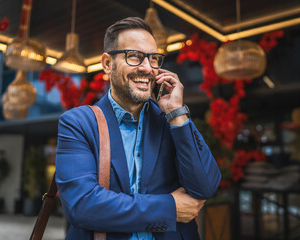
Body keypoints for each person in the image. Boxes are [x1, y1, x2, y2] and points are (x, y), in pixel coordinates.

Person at [55, 17, 221, 240]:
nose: (147, 68)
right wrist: (170, 208)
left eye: (153, 59)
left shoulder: (170, 119)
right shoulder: (78, 123)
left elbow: (206, 188)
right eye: (134, 56)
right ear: (107, 63)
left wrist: (177, 114)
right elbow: (82, 205)